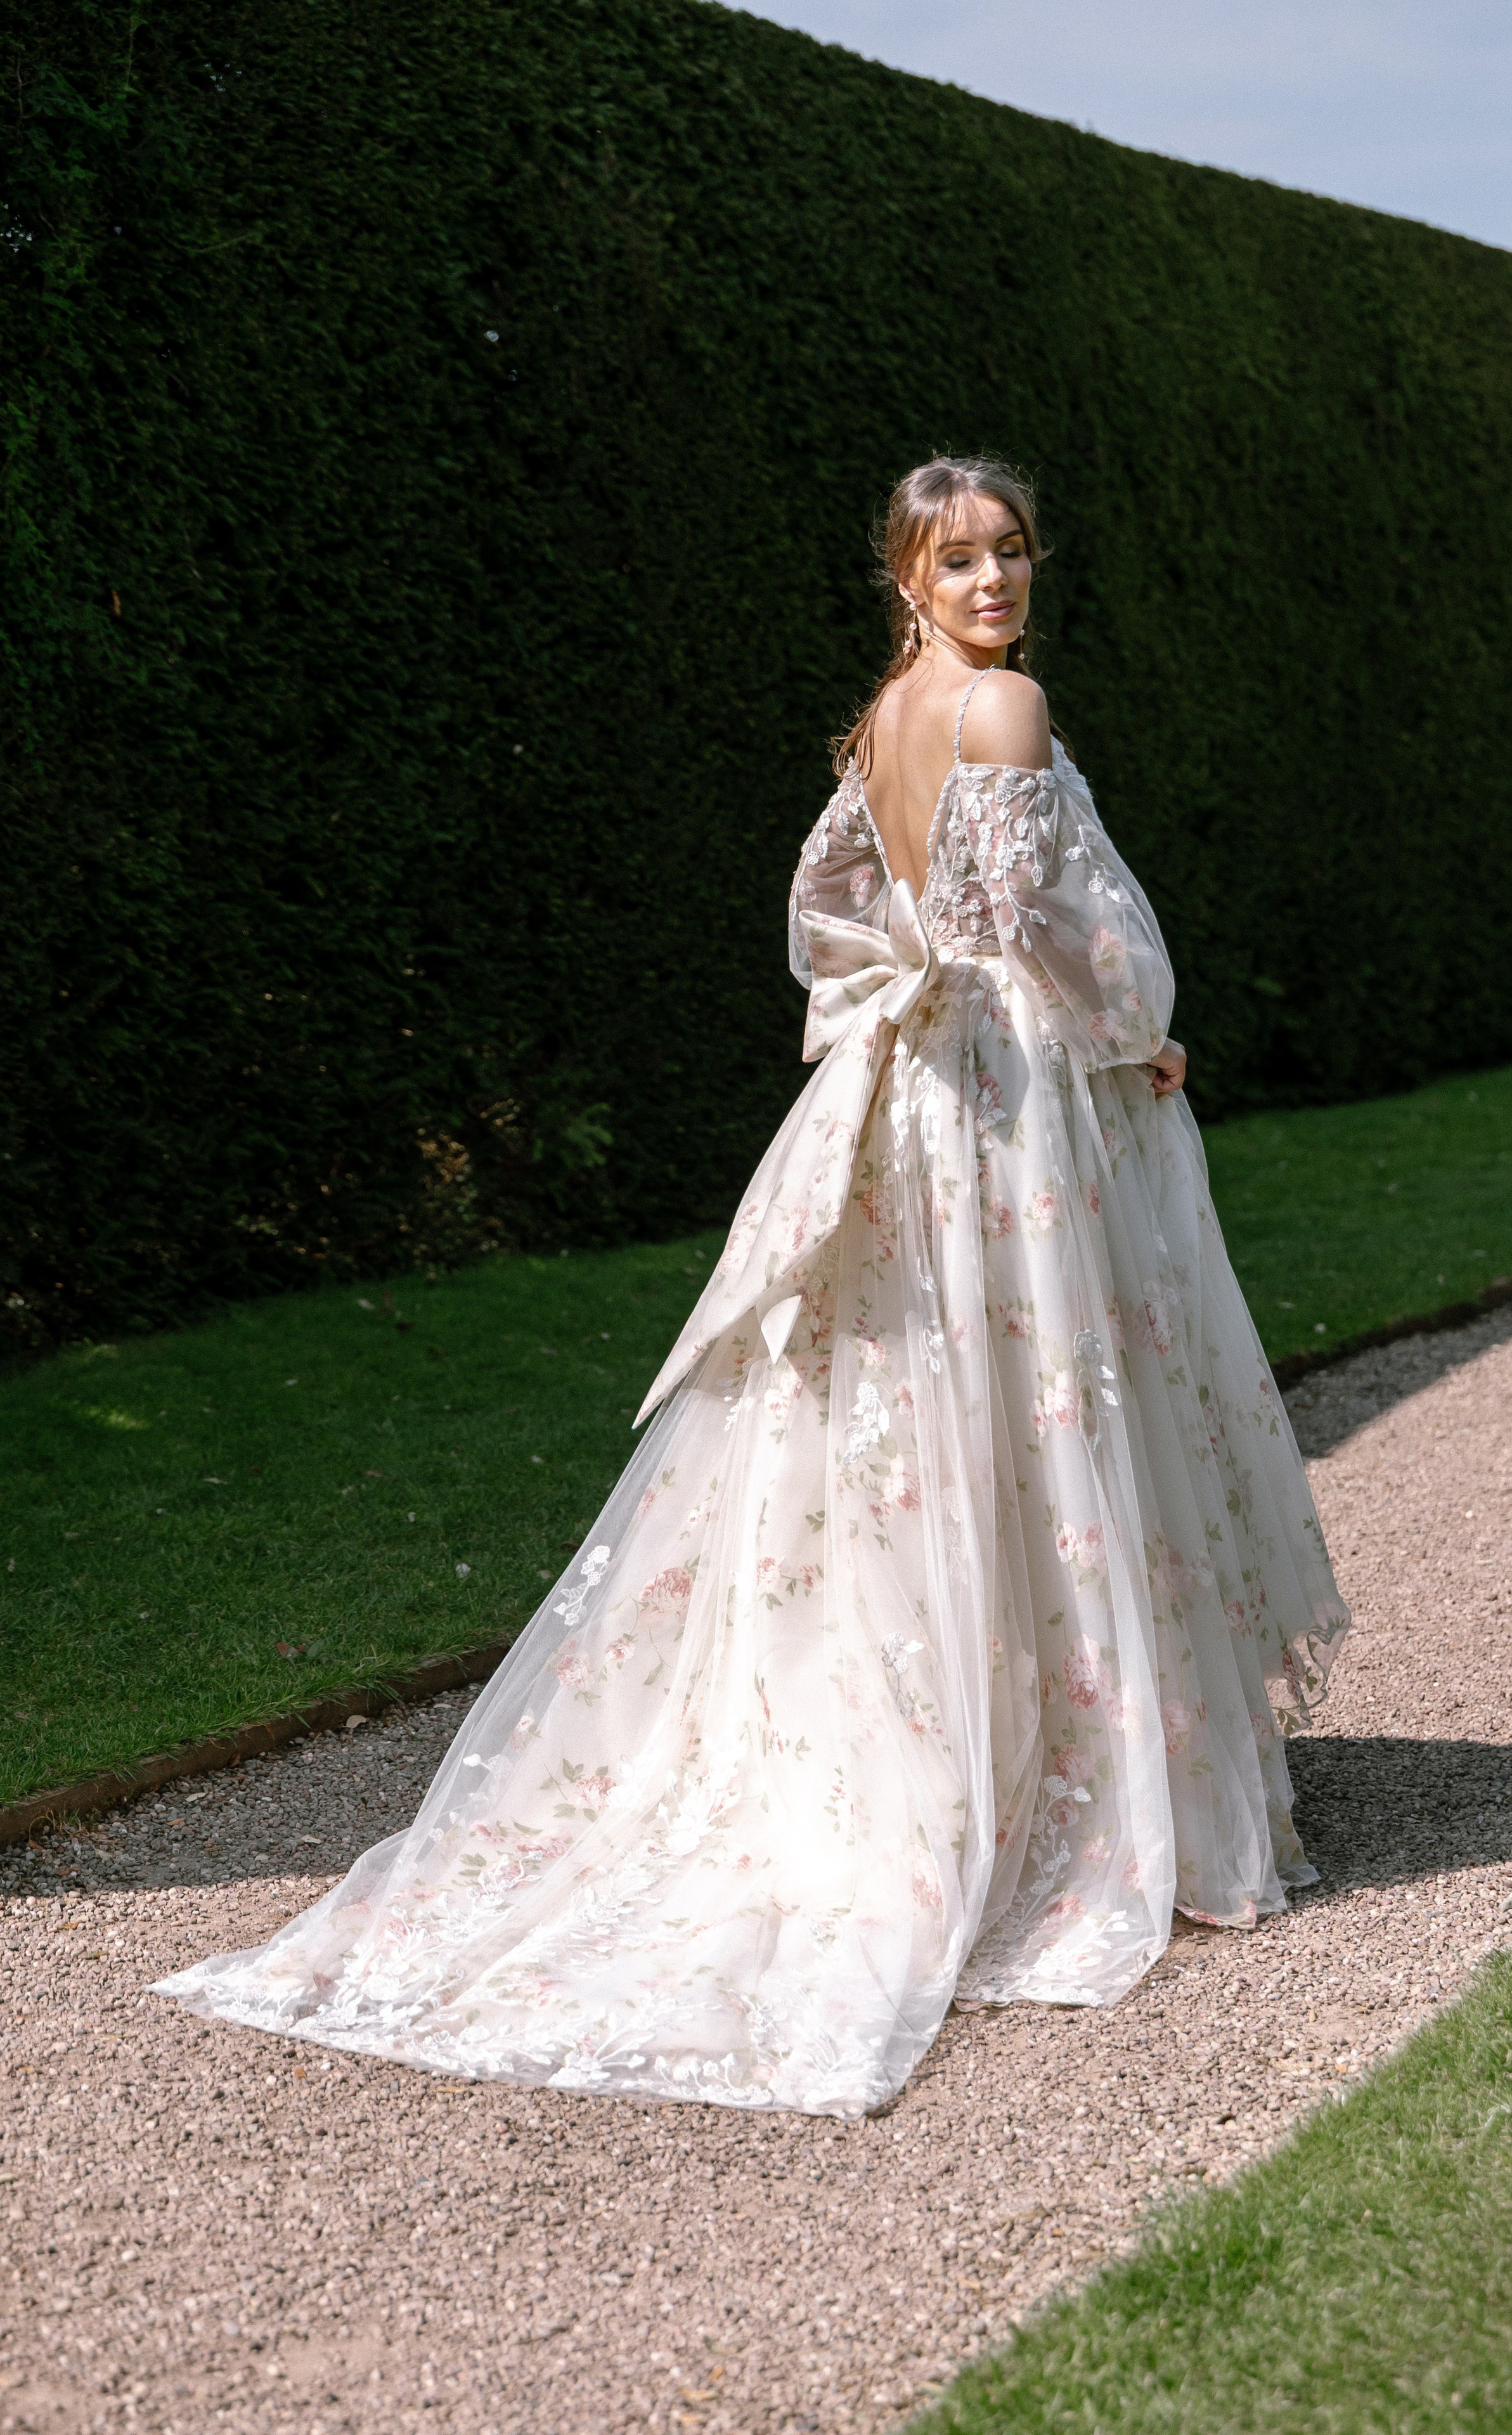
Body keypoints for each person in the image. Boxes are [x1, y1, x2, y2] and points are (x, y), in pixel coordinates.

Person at [158, 456, 1348, 2115]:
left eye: (1010, 551)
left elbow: (848, 913)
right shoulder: (1003, 709)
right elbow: (1021, 928)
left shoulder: (882, 720)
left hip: (911, 1103)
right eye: (962, 558)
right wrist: (1139, 1035)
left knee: (921, 1420)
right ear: (908, 574)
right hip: (1004, 1102)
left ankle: (954, 1744)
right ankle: (1068, 1784)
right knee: (1042, 1407)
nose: (994, 580)